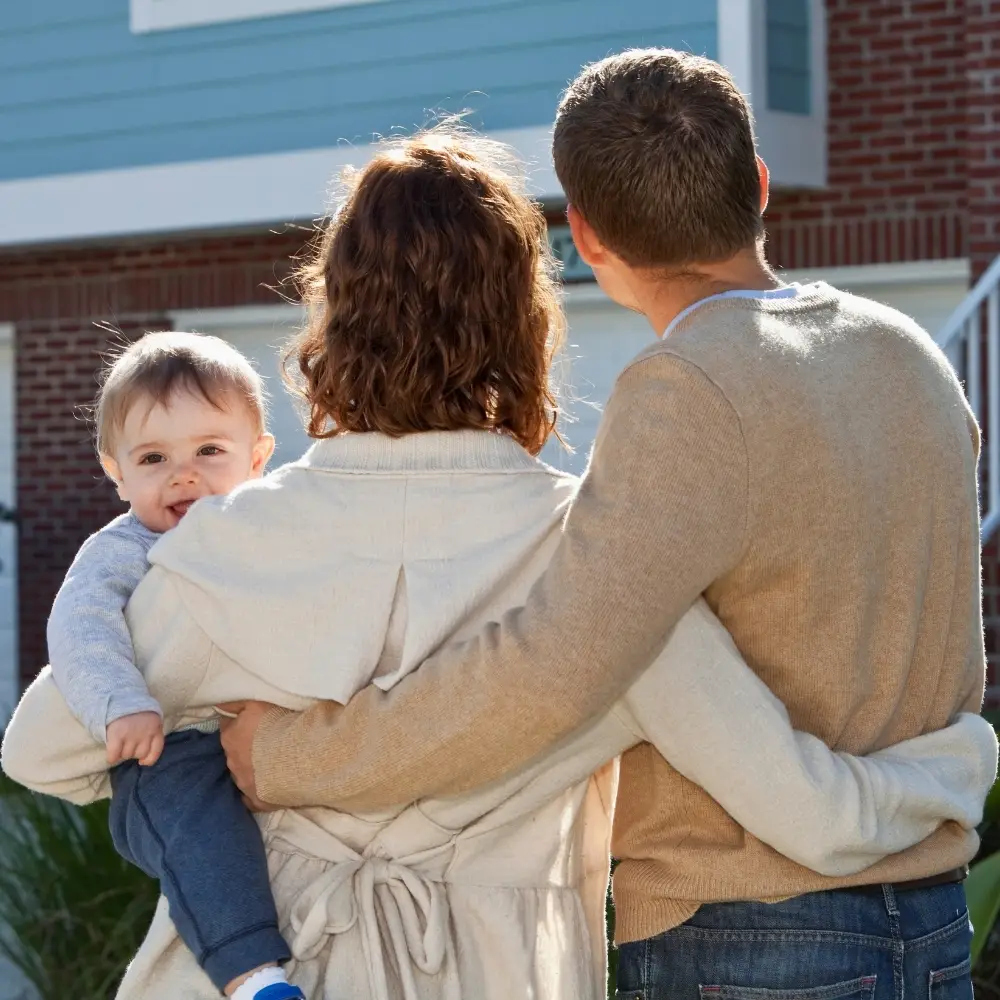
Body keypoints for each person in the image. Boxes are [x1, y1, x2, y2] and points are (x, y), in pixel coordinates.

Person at [1, 129, 993, 1000]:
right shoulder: (599, 558)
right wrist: (957, 765)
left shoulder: (221, 551)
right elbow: (809, 814)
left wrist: (205, 755)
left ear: (331, 318)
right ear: (529, 321)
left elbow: (42, 750)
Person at [43, 332, 300, 1000]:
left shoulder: (271, 534)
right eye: (153, 457)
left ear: (258, 459)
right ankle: (254, 979)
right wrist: (121, 702)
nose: (183, 475)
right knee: (202, 838)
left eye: (209, 451)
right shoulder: (120, 552)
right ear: (116, 472)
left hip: (268, 733)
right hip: (169, 751)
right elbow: (81, 629)